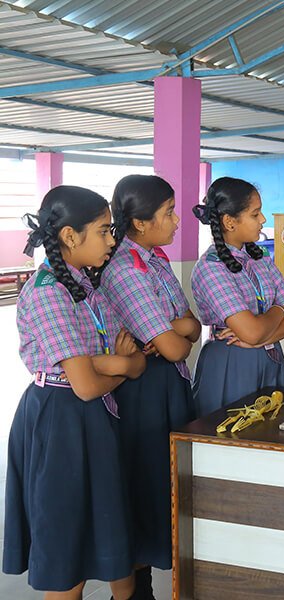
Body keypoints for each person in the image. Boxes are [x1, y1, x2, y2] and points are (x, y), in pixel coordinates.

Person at [3, 186, 145, 599]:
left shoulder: (87, 286)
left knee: (112, 530)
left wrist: (111, 363)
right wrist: (120, 366)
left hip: (96, 415)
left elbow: (131, 356)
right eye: (103, 231)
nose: (112, 241)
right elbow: (85, 384)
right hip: (60, 419)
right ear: (69, 236)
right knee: (67, 546)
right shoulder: (48, 291)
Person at [100, 174, 199, 596]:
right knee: (143, 485)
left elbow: (193, 327)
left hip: (167, 385)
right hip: (141, 390)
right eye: (169, 213)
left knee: (164, 484)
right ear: (140, 223)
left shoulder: (154, 259)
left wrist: (176, 330)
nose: (177, 221)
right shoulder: (125, 269)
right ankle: (136, 589)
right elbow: (175, 347)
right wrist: (177, 332)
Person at [191, 177, 284, 416]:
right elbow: (252, 331)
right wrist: (278, 311)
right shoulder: (210, 267)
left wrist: (262, 338)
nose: (263, 220)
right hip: (232, 360)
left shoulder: (260, 258)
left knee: (274, 428)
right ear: (230, 222)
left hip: (271, 356)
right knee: (233, 428)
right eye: (255, 214)